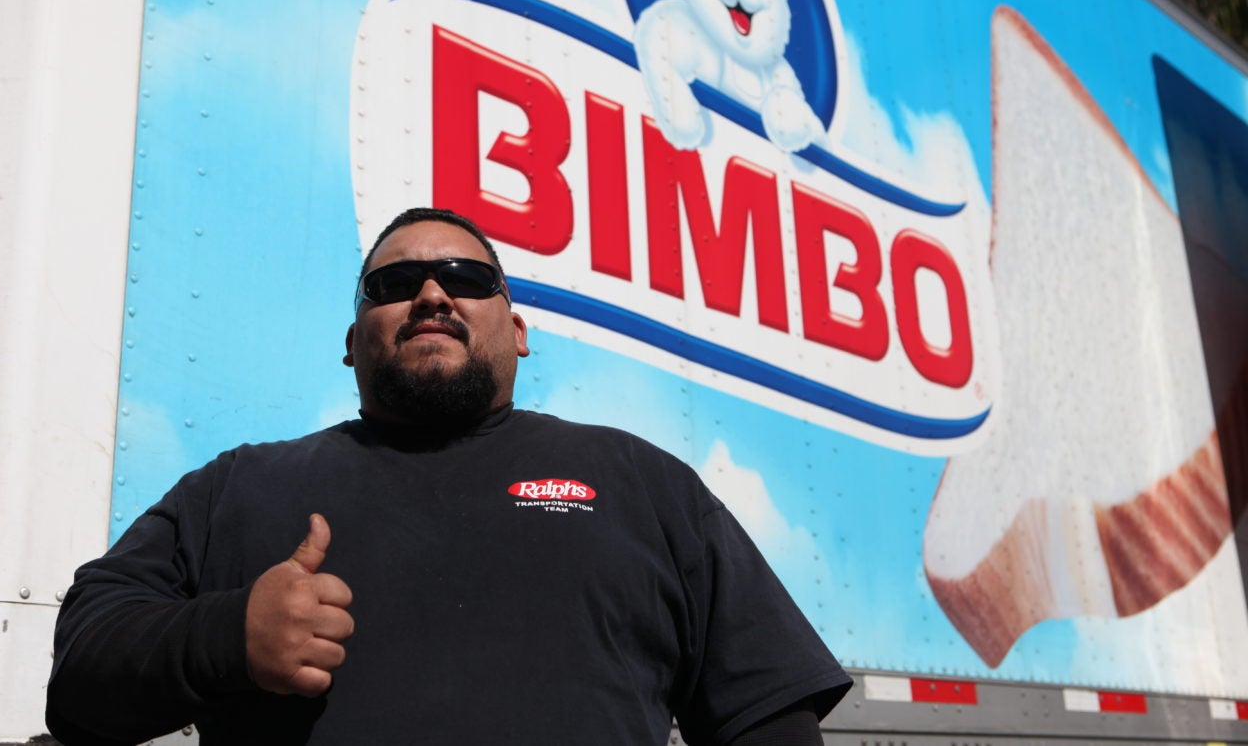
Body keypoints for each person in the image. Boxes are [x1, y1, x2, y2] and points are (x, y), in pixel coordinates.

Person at [46, 207, 853, 745]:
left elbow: (766, 716)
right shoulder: (237, 489)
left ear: (521, 331)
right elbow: (77, 676)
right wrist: (226, 636)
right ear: (352, 339)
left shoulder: (646, 484)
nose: (432, 293)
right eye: (394, 286)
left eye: (467, 278)